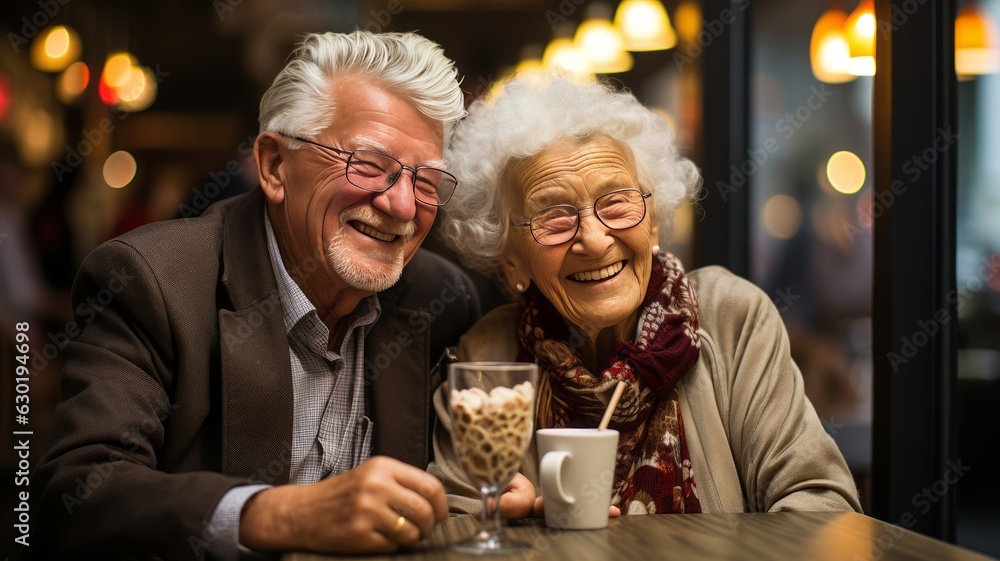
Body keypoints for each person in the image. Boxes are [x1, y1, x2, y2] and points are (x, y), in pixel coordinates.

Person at [35, 31, 480, 559]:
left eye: (426, 181)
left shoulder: (441, 298)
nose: (403, 206)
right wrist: (283, 513)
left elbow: (454, 482)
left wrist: (489, 497)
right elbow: (76, 491)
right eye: (367, 164)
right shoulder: (150, 280)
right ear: (274, 165)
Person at [428, 74, 862, 517]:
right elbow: (455, 518)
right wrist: (520, 531)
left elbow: (823, 504)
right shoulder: (486, 355)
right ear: (512, 259)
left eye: (616, 202)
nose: (595, 241)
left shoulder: (732, 318)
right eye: (554, 217)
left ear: (653, 221)